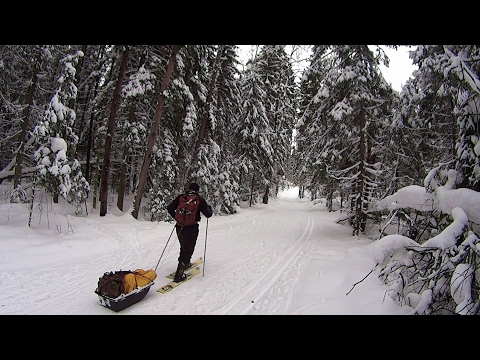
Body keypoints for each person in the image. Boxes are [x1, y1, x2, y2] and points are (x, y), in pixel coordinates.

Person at [167, 182, 213, 282]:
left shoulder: (181, 197)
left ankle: (186, 263)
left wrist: (177, 218)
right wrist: (209, 208)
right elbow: (208, 214)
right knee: (188, 248)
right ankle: (179, 274)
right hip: (192, 227)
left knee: (184, 246)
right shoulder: (199, 199)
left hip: (179, 226)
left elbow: (169, 208)